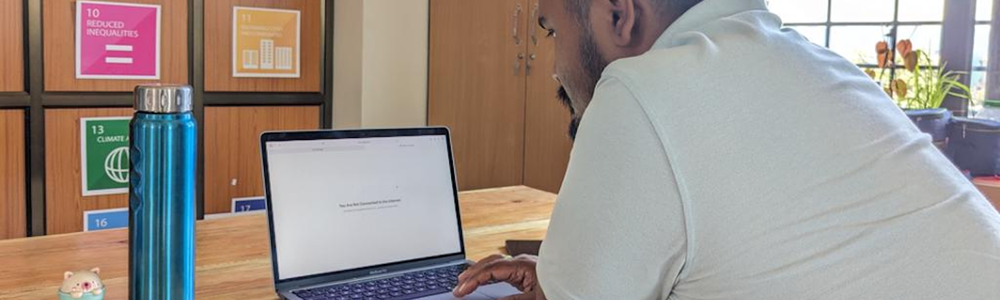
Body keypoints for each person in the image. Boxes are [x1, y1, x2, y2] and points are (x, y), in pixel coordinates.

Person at [451, 0, 1000, 299]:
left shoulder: (639, 90)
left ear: (619, 14)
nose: (553, 66)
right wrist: (565, 272)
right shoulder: (825, 66)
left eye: (551, 32)